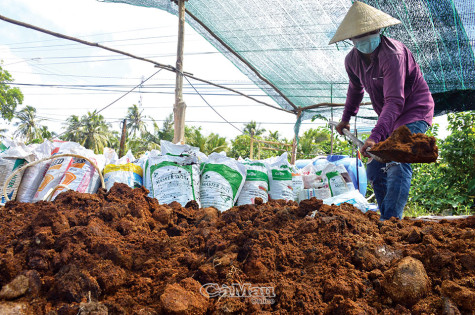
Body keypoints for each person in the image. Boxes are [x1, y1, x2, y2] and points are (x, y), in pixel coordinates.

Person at [329, 1, 435, 220]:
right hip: (389, 117)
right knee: (375, 169)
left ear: (379, 30)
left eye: (372, 31)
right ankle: (386, 218)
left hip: (414, 110)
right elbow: (355, 89)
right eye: (362, 33)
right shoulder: (352, 60)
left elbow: (395, 100)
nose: (369, 36)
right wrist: (345, 119)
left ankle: (390, 222)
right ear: (352, 38)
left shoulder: (393, 55)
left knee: (398, 161)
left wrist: (375, 136)